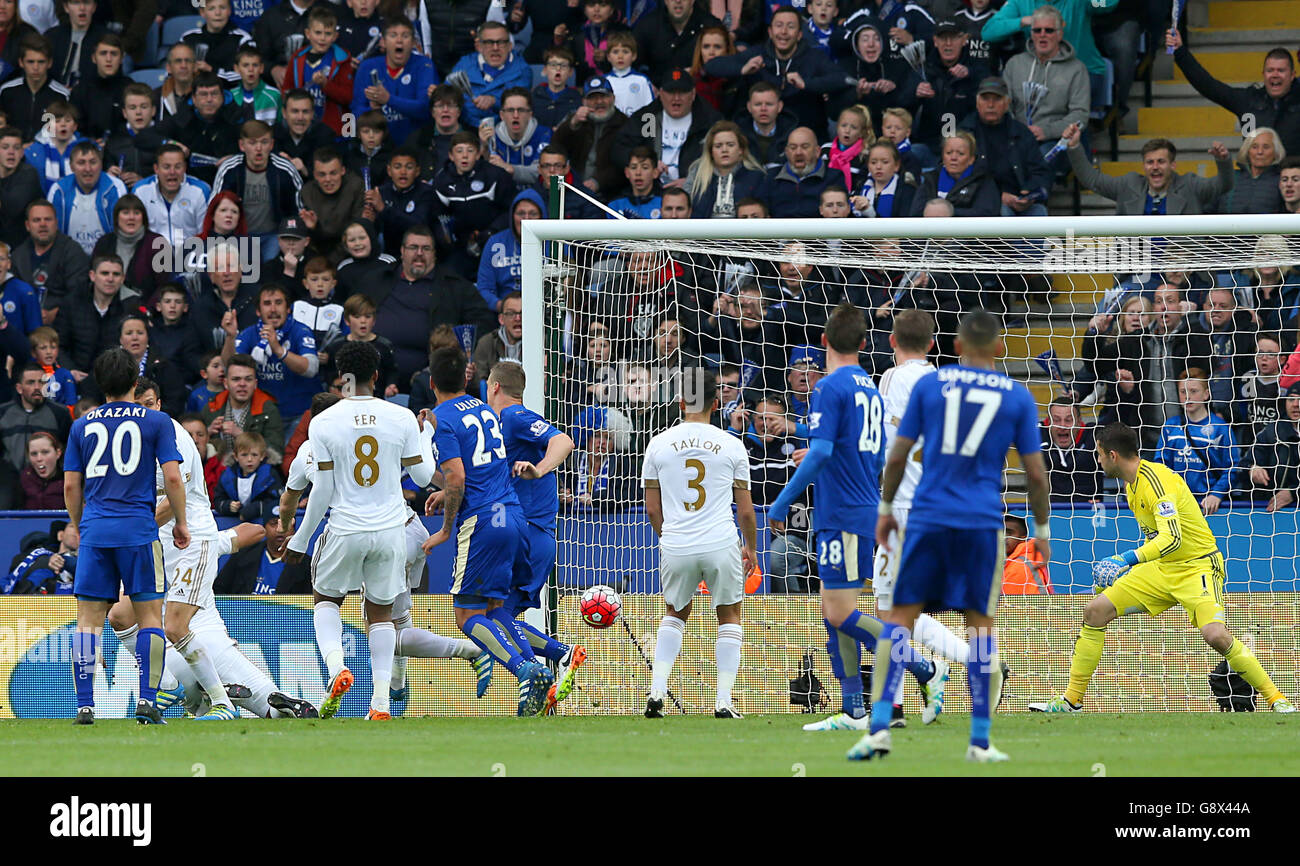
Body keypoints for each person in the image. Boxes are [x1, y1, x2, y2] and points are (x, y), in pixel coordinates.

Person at [853, 310, 1052, 763]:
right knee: (981, 627)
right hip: (982, 522)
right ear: (1000, 348)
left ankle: (880, 729)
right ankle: (979, 741)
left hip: (928, 515)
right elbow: (1037, 476)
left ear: (957, 347)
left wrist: (884, 509)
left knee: (897, 618)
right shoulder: (1017, 397)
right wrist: (1040, 530)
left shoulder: (929, 386)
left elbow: (899, 454)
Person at [1031, 422, 1296, 714]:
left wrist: (1125, 559)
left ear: (1113, 455)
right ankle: (1071, 701)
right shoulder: (1131, 486)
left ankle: (1277, 699)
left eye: (1098, 453)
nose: (1097, 459)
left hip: (1196, 567)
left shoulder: (1157, 480)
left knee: (1216, 636)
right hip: (1161, 568)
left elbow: (1172, 538)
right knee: (1095, 611)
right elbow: (1156, 540)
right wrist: (1114, 576)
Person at [765, 304, 941, 735]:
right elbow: (877, 452)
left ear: (824, 342)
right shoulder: (871, 387)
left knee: (841, 613)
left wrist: (782, 500)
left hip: (842, 511)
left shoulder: (829, 387)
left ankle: (924, 667)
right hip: (859, 506)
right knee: (833, 612)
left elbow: (824, 452)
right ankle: (853, 710)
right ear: (865, 344)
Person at [277, 389, 491, 703]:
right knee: (394, 622)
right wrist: (425, 433)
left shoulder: (314, 444)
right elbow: (419, 475)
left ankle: (467, 651)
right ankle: (395, 684)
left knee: (367, 619)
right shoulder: (378, 428)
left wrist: (289, 530)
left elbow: (291, 500)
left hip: (358, 530)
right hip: (407, 529)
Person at [283, 341, 440, 720]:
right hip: (389, 529)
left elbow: (320, 489)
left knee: (326, 599)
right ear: (375, 375)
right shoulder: (401, 417)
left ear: (342, 378)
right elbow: (421, 478)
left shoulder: (323, 422)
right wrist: (427, 435)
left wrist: (301, 540)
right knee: (381, 614)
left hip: (346, 526)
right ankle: (381, 702)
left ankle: (337, 668)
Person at [419, 344, 554, 715]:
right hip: (512, 515)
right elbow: (474, 472)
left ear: (431, 382)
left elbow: (457, 475)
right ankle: (537, 674)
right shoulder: (487, 409)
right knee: (495, 609)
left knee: (466, 616)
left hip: (480, 520)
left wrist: (446, 529)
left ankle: (525, 669)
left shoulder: (442, 419)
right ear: (468, 376)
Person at [64, 346, 189, 725]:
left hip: (97, 530)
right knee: (150, 617)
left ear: (101, 385)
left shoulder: (81, 425)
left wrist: (82, 525)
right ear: (136, 383)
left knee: (88, 621)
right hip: (138, 530)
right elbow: (171, 477)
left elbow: (71, 486)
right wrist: (180, 521)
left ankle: (85, 705)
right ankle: (148, 702)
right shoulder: (156, 421)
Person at [133, 376, 268, 721]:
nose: (144, 411)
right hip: (158, 547)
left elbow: (177, 493)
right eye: (138, 406)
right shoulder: (134, 442)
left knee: (176, 626)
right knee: (120, 614)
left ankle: (221, 702)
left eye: (149, 404)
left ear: (159, 404)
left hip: (189, 539)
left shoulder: (171, 434)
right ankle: (174, 686)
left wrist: (135, 529)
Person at [871, 309, 974, 720]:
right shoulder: (949, 383)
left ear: (892, 341)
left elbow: (886, 441)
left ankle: (972, 665)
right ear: (933, 344)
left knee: (887, 610)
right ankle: (905, 695)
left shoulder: (891, 379)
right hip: (938, 506)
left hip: (901, 505)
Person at [642, 367, 756, 719]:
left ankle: (657, 692)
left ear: (680, 402)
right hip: (721, 541)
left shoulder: (659, 443)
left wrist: (668, 537)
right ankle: (723, 700)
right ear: (716, 402)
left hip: (677, 542)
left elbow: (650, 506)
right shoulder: (732, 445)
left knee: (675, 614)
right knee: (730, 615)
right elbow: (747, 511)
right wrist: (750, 547)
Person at [483, 361, 585, 713]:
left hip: (524, 533)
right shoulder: (499, 426)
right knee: (501, 615)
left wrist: (538, 469)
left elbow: (563, 440)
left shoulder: (513, 416)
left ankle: (540, 670)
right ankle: (561, 656)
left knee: (487, 614)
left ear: (494, 386)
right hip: (535, 536)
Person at [703, 5, 848, 131]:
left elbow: (842, 79)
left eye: (790, 27)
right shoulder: (758, 53)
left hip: (805, 135)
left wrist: (807, 84)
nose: (784, 32)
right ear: (770, 32)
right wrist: (742, 69)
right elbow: (712, 65)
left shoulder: (814, 57)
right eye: (779, 26)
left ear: (799, 35)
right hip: (760, 135)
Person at [1168, 33, 1300, 156]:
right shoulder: (1248, 100)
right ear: (1263, 75)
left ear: (1292, 75)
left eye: (1281, 70)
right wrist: (1180, 52)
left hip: (1292, 178)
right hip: (1251, 177)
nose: (1275, 75)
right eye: (1270, 70)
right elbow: (1208, 86)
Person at [1063, 123, 1232, 216]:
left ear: (1173, 165)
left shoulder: (1189, 184)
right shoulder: (1129, 185)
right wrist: (1075, 146)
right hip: (1138, 274)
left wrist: (1223, 160)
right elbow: (1092, 180)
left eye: (1161, 162)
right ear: (1144, 166)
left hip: (1180, 274)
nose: (1155, 167)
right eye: (1150, 162)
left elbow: (1223, 186)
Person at [224, 283, 322, 433]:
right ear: (258, 311)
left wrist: (279, 350)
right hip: (263, 415)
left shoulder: (301, 331)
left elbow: (311, 368)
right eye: (267, 304)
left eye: (278, 303)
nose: (273, 309)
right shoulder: (249, 334)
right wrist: (231, 337)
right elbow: (229, 366)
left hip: (299, 414)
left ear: (288, 308)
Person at [1000, 6, 1088, 160]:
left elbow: (1080, 115)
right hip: (1016, 136)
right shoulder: (1015, 64)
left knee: (1038, 160)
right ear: (1031, 34)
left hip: (1056, 139)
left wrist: (1047, 131)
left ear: (1060, 34)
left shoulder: (1077, 69)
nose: (1042, 35)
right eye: (1037, 30)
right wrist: (1017, 129)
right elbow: (1004, 104)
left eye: (1049, 30)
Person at [1155, 370, 1240, 516]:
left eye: (1193, 391)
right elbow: (1161, 465)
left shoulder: (1220, 428)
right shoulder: (1170, 427)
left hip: (1208, 505)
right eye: (1183, 391)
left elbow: (1232, 466)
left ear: (1206, 394)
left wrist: (1216, 494)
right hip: (1177, 505)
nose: (1188, 397)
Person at [201, 352, 286, 466]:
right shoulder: (212, 407)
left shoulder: (267, 409)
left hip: (257, 474)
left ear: (255, 384)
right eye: (236, 379)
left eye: (248, 379)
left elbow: (277, 450)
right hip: (217, 475)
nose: (242, 384)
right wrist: (207, 433)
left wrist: (243, 436)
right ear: (226, 383)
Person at [285, 5, 357, 136]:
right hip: (301, 128)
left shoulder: (342, 59)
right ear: (308, 34)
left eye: (328, 33)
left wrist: (326, 85)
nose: (322, 38)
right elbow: (287, 91)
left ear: (335, 36)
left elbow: (348, 97)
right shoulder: (297, 58)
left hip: (333, 130)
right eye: (318, 33)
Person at [48, 141, 126, 255]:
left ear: (101, 164)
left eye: (93, 162)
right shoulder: (58, 191)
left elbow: (122, 233)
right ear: (72, 166)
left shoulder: (115, 187)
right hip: (69, 261)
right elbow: (52, 234)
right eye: (81, 163)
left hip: (108, 258)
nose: (88, 169)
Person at [449, 20, 530, 129]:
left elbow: (519, 103)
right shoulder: (464, 64)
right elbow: (450, 95)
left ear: (510, 46)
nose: (495, 48)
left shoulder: (522, 70)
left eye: (501, 42)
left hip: (505, 129)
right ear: (478, 46)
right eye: (489, 42)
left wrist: (494, 101)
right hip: (465, 127)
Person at [131, 144, 212, 252]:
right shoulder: (141, 191)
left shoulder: (201, 191)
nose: (172, 172)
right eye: (166, 167)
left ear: (185, 168)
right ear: (156, 169)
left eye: (178, 167)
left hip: (190, 256)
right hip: (152, 256)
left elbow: (205, 233)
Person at [910, 132, 1000, 216]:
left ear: (971, 159)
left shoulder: (983, 180)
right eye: (949, 153)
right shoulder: (931, 179)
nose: (953, 158)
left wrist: (948, 212)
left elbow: (987, 213)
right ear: (942, 156)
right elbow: (916, 212)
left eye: (960, 154)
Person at [0, 36, 71, 142]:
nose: (36, 67)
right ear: (21, 62)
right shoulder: (6, 91)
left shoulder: (62, 95)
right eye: (30, 62)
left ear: (49, 63)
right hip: (12, 152)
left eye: (41, 62)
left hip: (47, 153)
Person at [1041, 396, 1104, 500]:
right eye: (1056, 420)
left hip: (1089, 511)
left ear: (1079, 422)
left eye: (1068, 420)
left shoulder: (1095, 436)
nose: (1062, 426)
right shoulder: (1037, 435)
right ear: (1048, 422)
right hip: (1048, 512)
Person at [1221, 127, 1286, 215]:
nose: (1259, 152)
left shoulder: (1284, 180)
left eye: (1266, 147)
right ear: (1247, 151)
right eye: (1254, 147)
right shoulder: (1231, 178)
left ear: (1276, 152)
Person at [470, 292, 523, 392]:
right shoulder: (486, 343)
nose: (518, 318)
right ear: (501, 319)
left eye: (522, 313)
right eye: (511, 313)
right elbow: (479, 383)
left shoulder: (541, 344)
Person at [1001, 512, 1050, 595]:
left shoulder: (1020, 565)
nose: (1003, 537)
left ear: (1022, 538)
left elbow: (1006, 605)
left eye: (1009, 533)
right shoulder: (1012, 560)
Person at [19, 430, 64, 508]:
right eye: (34, 454)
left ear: (58, 453)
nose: (39, 458)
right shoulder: (23, 479)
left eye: (45, 452)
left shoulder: (70, 479)